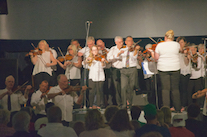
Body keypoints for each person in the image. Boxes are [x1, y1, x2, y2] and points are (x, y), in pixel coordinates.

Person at [154, 30, 181, 112]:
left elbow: (156, 58)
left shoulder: (160, 45)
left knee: (165, 90)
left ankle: (166, 110)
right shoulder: (176, 44)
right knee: (175, 89)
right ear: (172, 37)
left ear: (165, 37)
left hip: (163, 68)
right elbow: (181, 50)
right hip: (175, 68)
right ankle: (178, 109)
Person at [115, 36, 140, 108]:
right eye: (129, 41)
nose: (131, 42)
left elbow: (134, 57)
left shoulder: (134, 49)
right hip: (124, 70)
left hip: (132, 69)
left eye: (132, 41)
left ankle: (131, 103)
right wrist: (119, 53)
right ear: (125, 42)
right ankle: (124, 104)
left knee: (131, 87)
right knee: (123, 87)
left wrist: (136, 50)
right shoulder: (122, 49)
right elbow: (117, 58)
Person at [107, 36, 124, 107]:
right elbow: (108, 58)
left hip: (124, 69)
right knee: (117, 87)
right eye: (119, 42)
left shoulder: (125, 49)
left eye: (122, 42)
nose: (121, 43)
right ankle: (119, 103)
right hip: (115, 69)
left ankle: (125, 103)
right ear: (116, 42)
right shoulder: (113, 49)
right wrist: (116, 56)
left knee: (124, 87)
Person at [97, 39, 112, 107]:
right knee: (101, 88)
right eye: (98, 44)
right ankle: (102, 103)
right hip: (100, 71)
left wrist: (106, 54)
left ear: (104, 43)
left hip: (108, 70)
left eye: (101, 44)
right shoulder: (97, 52)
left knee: (109, 87)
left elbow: (110, 60)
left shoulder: (108, 50)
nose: (100, 46)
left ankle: (109, 103)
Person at [177, 37, 191, 112]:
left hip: (185, 72)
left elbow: (186, 63)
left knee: (184, 90)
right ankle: (177, 105)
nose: (180, 44)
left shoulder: (187, 51)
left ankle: (184, 105)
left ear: (185, 43)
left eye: (182, 42)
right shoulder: (177, 52)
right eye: (179, 43)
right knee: (177, 90)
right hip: (178, 72)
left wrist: (185, 54)